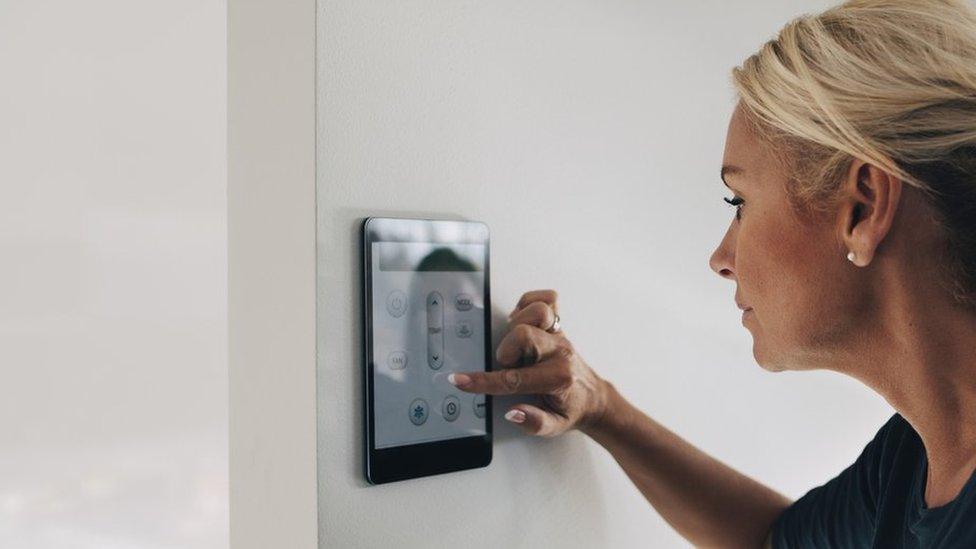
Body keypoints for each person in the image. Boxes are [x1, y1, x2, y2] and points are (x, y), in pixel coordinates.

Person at [446, 0, 976, 546]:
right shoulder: (912, 460)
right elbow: (771, 540)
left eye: (739, 200)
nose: (721, 259)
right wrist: (600, 407)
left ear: (862, 210)